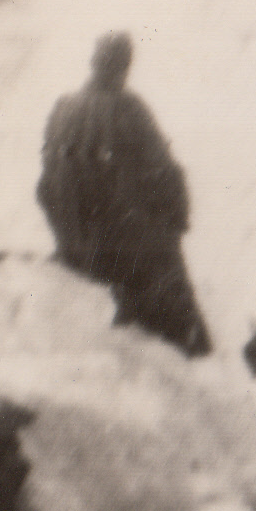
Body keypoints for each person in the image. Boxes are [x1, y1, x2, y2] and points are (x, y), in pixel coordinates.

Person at [36, 31, 211, 356]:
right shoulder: (127, 109)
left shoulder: (62, 108)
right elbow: (165, 173)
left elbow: (45, 188)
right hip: (123, 244)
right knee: (177, 306)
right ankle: (191, 355)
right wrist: (176, 219)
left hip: (75, 242)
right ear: (124, 66)